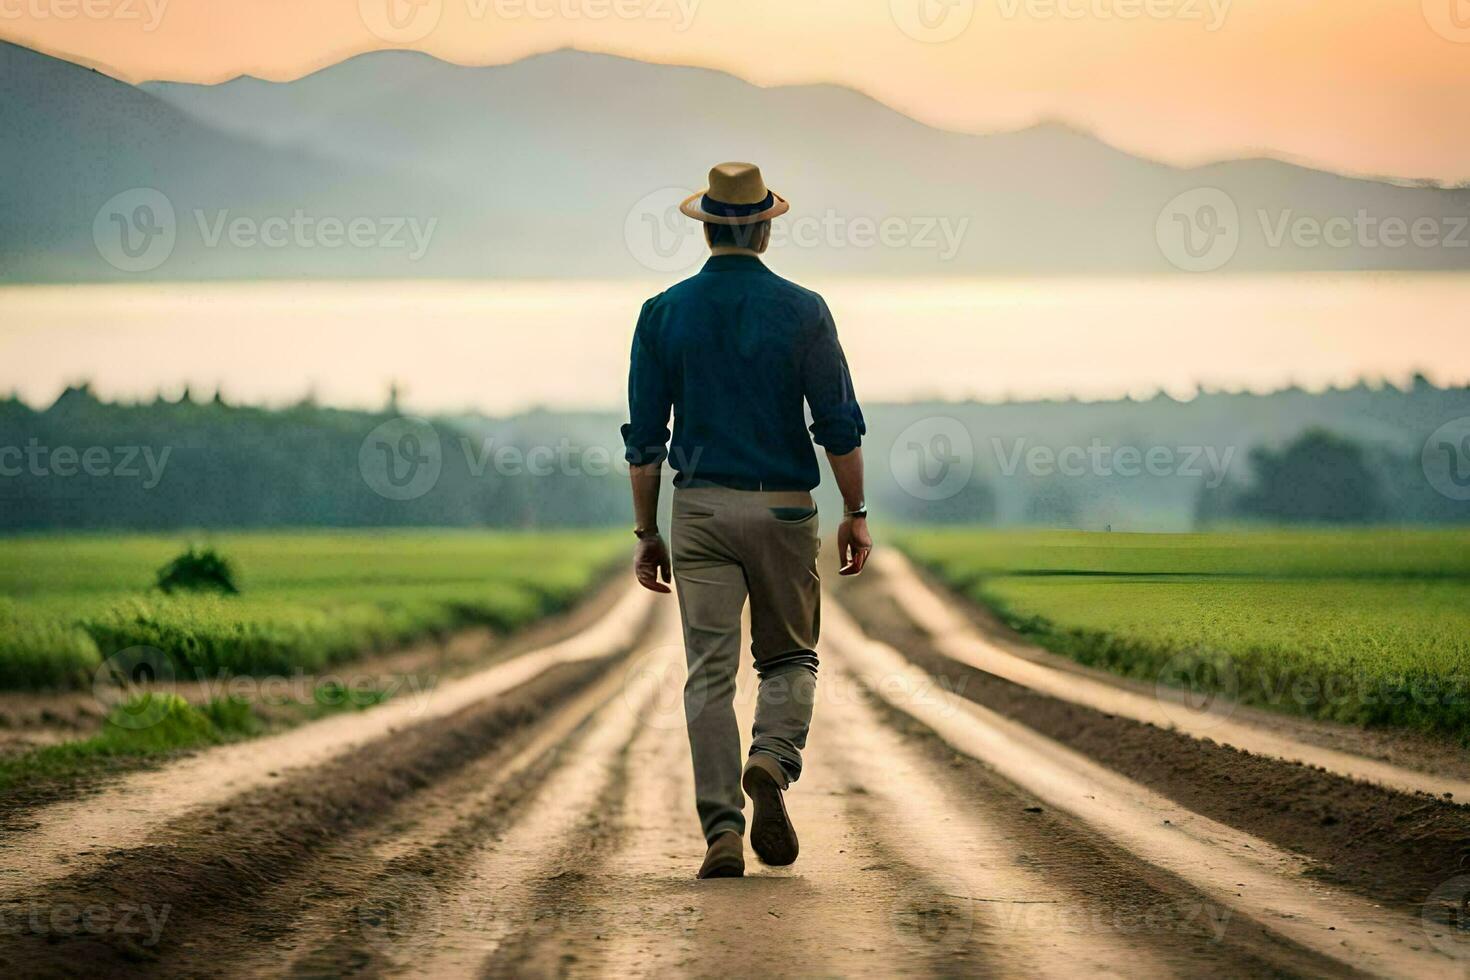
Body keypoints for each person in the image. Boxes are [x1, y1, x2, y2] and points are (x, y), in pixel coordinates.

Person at [620, 162, 872, 879]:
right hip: (786, 506)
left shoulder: (662, 311)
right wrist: (855, 512)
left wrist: (648, 532)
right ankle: (771, 759)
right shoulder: (804, 309)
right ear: (764, 227)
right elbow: (839, 425)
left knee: (708, 674)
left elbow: (645, 440)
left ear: (706, 229)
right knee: (790, 657)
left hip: (698, 508)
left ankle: (722, 834)